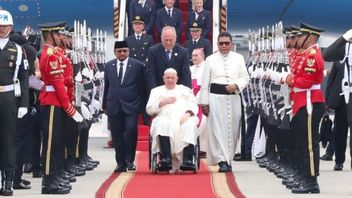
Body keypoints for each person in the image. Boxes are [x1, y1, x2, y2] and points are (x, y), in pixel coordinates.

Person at [38, 21, 83, 194]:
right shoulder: (50, 54)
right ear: (50, 35)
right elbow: (57, 83)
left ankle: (54, 176)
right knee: (50, 144)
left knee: (57, 142)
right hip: (52, 102)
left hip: (57, 101)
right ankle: (48, 181)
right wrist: (68, 106)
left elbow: (64, 80)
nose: (60, 37)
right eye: (57, 34)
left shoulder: (55, 53)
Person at [281, 23, 325, 194]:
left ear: (311, 37)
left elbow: (305, 82)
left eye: (301, 36)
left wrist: (287, 78)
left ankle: (311, 180)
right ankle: (303, 175)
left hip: (310, 102)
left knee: (308, 144)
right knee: (300, 142)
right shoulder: (305, 54)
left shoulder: (312, 56)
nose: (297, 39)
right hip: (302, 101)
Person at [199, 32, 249, 172]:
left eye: (227, 43)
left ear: (232, 44)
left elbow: (245, 78)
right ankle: (222, 160)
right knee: (217, 130)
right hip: (215, 99)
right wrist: (204, 103)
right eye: (221, 43)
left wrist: (237, 85)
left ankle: (229, 158)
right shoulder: (210, 59)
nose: (224, 46)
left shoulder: (239, 58)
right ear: (217, 44)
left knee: (233, 130)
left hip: (233, 97)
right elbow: (205, 83)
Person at [102, 41, 145, 172]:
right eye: (119, 51)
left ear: (128, 51)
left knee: (130, 131)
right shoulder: (109, 66)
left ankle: (130, 160)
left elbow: (142, 87)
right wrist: (105, 105)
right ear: (115, 52)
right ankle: (120, 162)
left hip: (131, 105)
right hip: (114, 105)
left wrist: (141, 106)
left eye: (124, 51)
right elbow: (107, 87)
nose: (122, 53)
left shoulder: (137, 65)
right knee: (116, 135)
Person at [146, 68, 198, 171]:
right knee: (162, 124)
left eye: (172, 78)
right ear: (163, 78)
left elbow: (193, 105)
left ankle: (187, 159)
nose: (170, 80)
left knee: (190, 124)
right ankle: (166, 158)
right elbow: (149, 110)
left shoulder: (185, 90)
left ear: (177, 78)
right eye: (168, 78)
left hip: (183, 118)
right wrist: (162, 102)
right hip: (164, 117)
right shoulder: (156, 91)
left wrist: (188, 114)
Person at [0, 10, 29, 196]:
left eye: (4, 26)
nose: (1, 29)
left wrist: (24, 103)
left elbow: (24, 79)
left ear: (10, 28)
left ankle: (8, 180)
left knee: (8, 141)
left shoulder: (18, 50)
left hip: (7, 99)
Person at [323, 29, 352, 170]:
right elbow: (327, 55)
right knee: (340, 131)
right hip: (342, 99)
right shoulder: (343, 52)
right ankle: (339, 160)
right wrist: (344, 38)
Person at [146, 26, 191, 91]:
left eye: (171, 40)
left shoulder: (183, 52)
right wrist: (154, 92)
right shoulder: (153, 51)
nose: (168, 42)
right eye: (166, 40)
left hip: (177, 91)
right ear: (161, 38)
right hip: (159, 89)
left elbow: (186, 74)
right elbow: (151, 73)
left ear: (175, 39)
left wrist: (186, 92)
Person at [189, 49, 207, 156]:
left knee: (203, 124)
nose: (194, 57)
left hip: (203, 99)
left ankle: (203, 149)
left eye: (196, 55)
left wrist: (199, 97)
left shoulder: (207, 67)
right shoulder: (190, 68)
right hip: (192, 100)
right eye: (192, 55)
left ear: (202, 56)